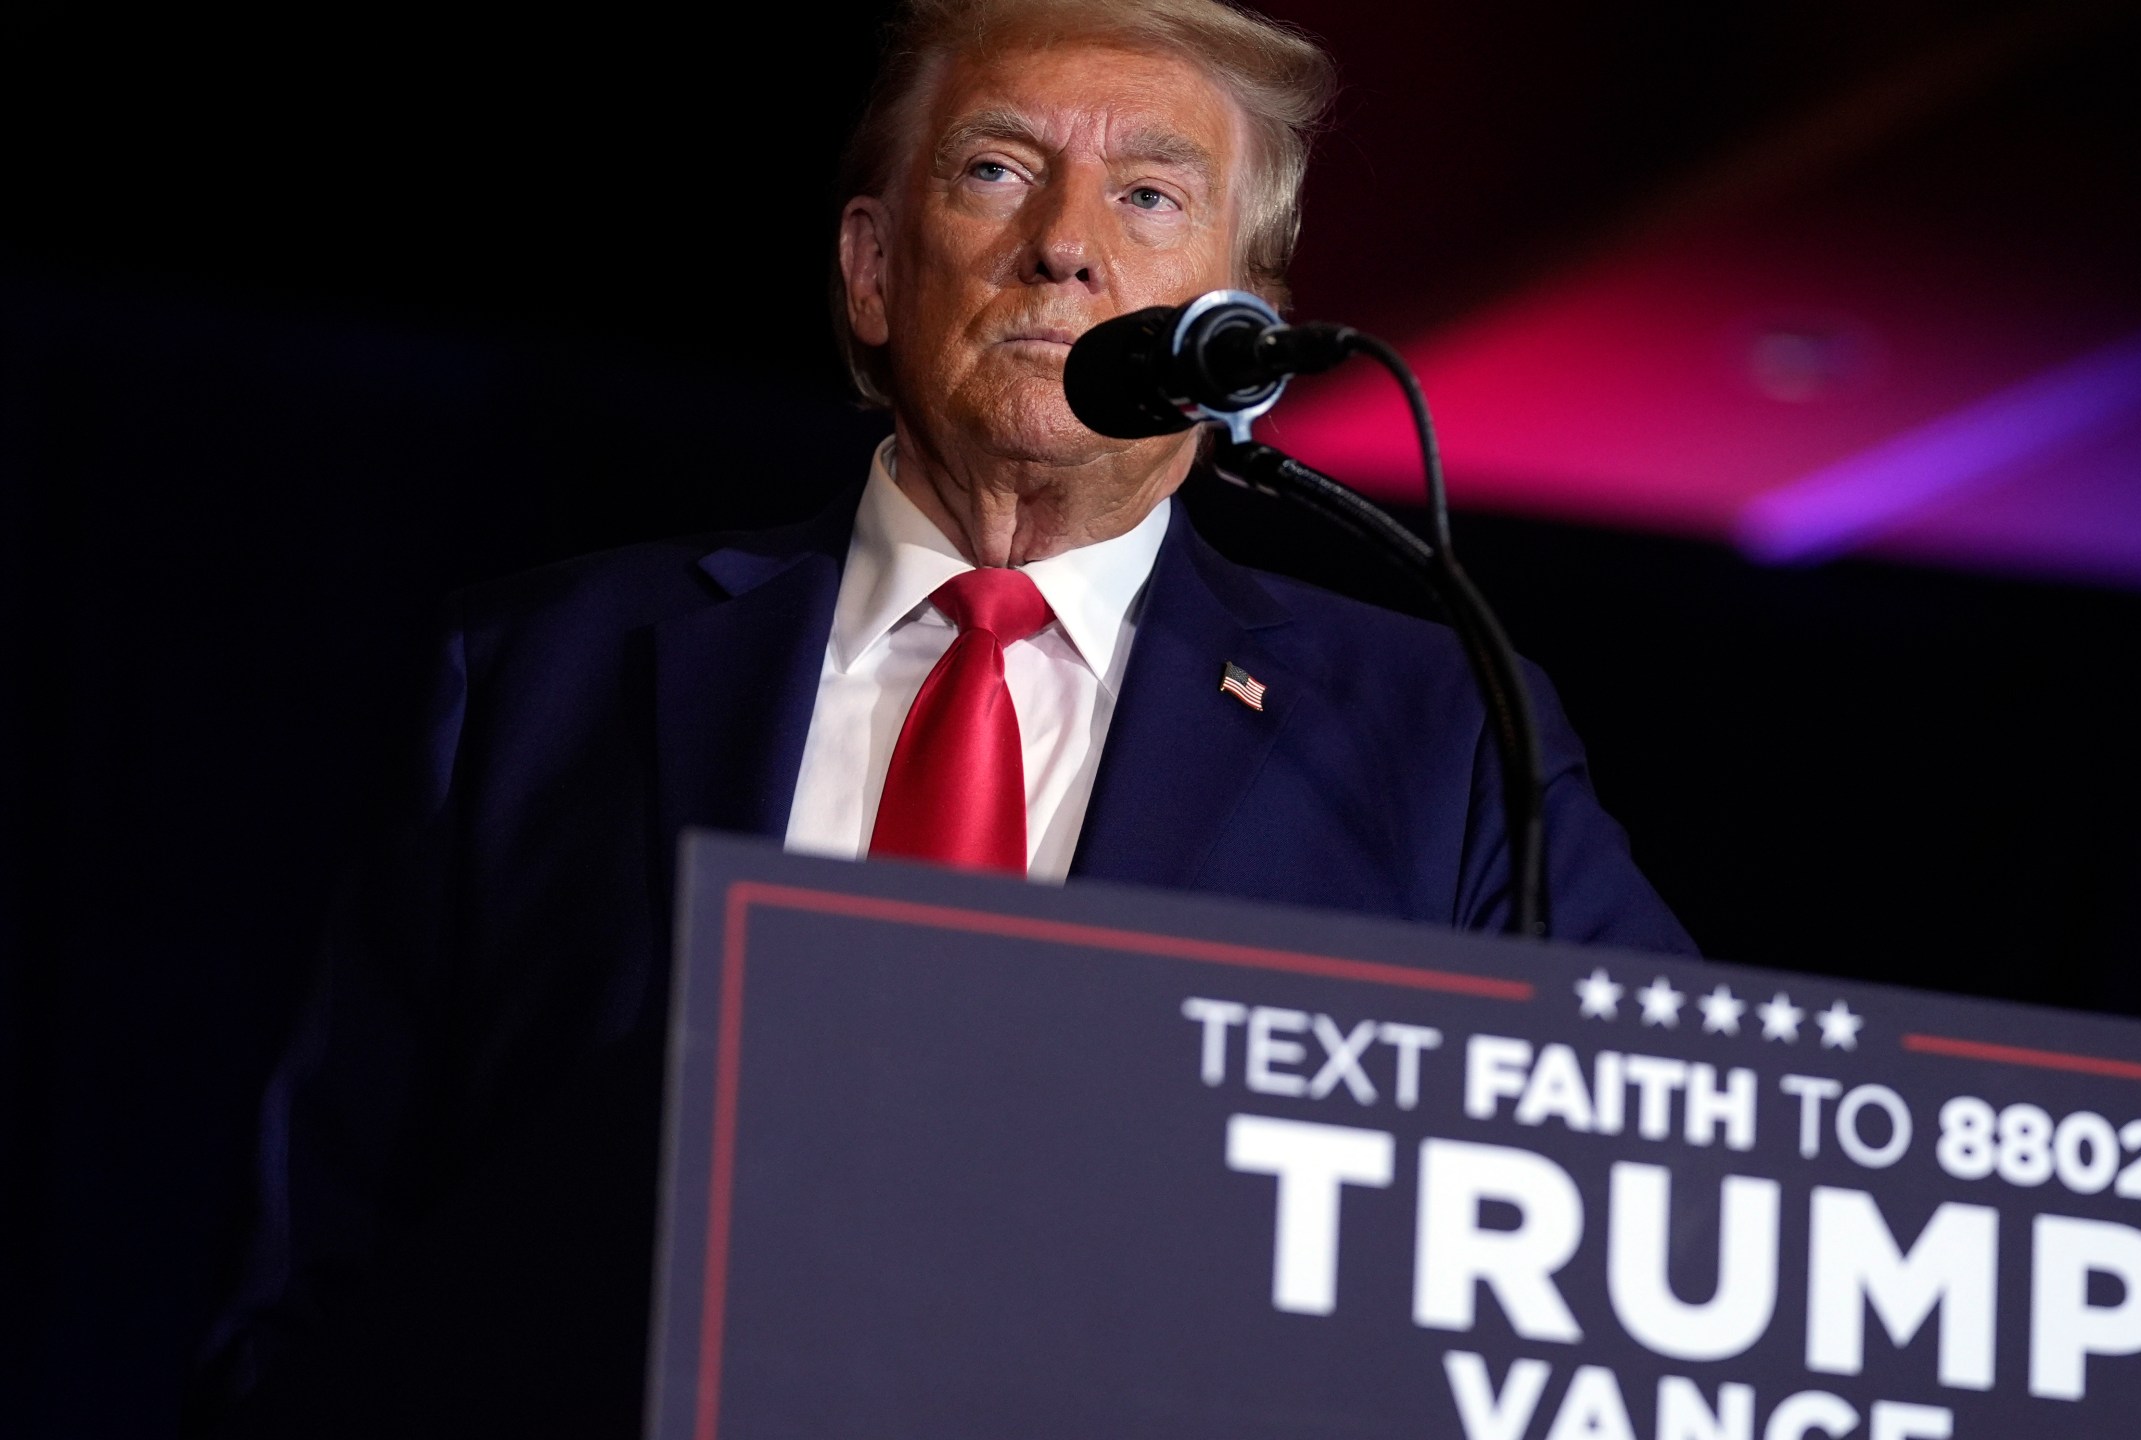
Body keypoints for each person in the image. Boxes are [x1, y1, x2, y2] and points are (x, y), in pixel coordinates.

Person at [195, 0, 1694, 1432]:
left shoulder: (1432, 734)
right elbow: (322, 1255)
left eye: (1154, 198)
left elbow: (1677, 1171)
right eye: (996, 171)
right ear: (871, 267)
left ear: (1240, 336)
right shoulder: (542, 676)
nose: (1063, 247)